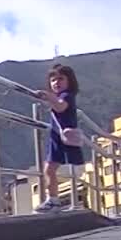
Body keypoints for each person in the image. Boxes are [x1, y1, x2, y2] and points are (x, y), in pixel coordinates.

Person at [35, 63, 85, 212]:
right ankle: (53, 200)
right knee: (49, 169)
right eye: (53, 80)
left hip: (64, 136)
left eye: (61, 79)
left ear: (70, 81)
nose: (56, 82)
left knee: (51, 169)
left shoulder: (67, 96)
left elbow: (60, 107)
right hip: (58, 136)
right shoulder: (60, 96)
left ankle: (54, 200)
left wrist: (48, 97)